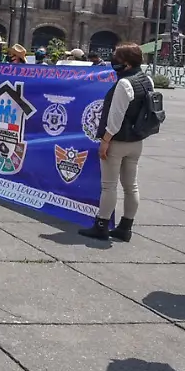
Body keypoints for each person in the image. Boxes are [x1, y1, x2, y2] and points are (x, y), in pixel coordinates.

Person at [79, 43, 155, 241]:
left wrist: (105, 140)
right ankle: (125, 227)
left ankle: (101, 225)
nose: (113, 61)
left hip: (118, 140)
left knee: (109, 186)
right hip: (136, 140)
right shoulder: (147, 79)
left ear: (127, 63)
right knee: (131, 186)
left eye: (117, 58)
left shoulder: (124, 83)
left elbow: (116, 116)